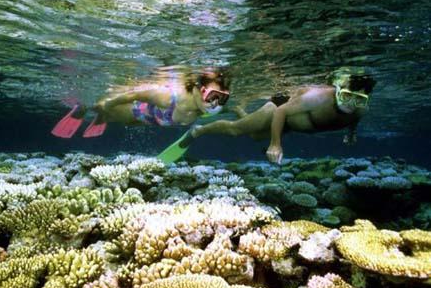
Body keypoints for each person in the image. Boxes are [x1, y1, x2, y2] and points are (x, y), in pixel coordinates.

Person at [175, 67, 376, 164]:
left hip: (290, 124)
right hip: (280, 109)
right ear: (339, 89)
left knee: (254, 136)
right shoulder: (316, 98)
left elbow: (353, 119)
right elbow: (282, 111)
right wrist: (275, 144)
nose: (351, 104)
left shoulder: (360, 109)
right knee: (236, 130)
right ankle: (199, 130)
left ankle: (239, 111)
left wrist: (352, 133)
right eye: (347, 96)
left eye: (358, 99)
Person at [51, 66, 230, 138]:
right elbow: (134, 95)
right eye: (213, 95)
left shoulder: (205, 108)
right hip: (134, 110)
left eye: (222, 97)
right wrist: (109, 103)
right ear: (199, 89)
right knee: (107, 110)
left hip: (145, 120)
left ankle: (102, 116)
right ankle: (85, 108)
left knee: (123, 122)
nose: (216, 103)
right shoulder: (169, 96)